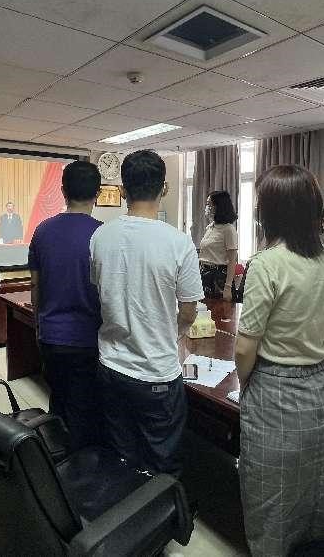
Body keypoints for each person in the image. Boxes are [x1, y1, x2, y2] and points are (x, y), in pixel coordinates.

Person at [235, 165, 324, 555]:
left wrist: (248, 383)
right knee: (322, 500)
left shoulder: (266, 263)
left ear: (269, 212)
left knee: (272, 504)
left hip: (273, 392)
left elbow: (245, 348)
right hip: (323, 393)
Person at [90, 150, 203, 475]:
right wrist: (170, 333)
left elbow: (100, 292)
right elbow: (189, 313)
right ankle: (161, 507)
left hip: (111, 367)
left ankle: (126, 503)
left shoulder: (100, 236)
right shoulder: (179, 243)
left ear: (123, 189)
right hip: (156, 373)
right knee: (162, 463)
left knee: (122, 457)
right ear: (164, 188)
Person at [28, 161, 103, 450]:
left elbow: (36, 287)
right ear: (98, 193)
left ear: (63, 191)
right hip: (90, 340)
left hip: (51, 337)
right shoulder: (103, 235)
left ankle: (56, 460)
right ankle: (80, 467)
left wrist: (38, 327)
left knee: (58, 401)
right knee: (87, 410)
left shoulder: (42, 231)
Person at [198, 190, 238, 301]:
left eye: (209, 204)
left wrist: (228, 287)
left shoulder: (228, 229)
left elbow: (232, 261)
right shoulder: (210, 227)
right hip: (205, 274)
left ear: (218, 206)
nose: (207, 207)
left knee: (219, 309)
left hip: (219, 277)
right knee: (204, 309)